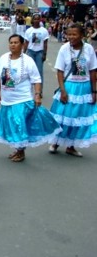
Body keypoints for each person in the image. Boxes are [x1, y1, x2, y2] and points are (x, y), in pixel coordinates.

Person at [0, 34, 61, 162]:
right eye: (11, 42)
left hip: (22, 100)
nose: (13, 45)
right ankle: (18, 149)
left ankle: (21, 152)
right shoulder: (3, 58)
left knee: (19, 125)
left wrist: (38, 95)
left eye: (16, 42)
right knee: (12, 125)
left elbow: (36, 79)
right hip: (7, 100)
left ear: (22, 45)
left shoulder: (28, 61)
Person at [49, 23, 97, 157]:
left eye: (74, 34)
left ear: (82, 35)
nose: (71, 37)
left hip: (84, 88)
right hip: (69, 86)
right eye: (69, 34)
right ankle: (56, 143)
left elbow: (93, 71)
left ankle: (71, 146)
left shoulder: (89, 49)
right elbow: (60, 71)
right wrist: (63, 91)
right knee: (64, 117)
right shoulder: (64, 49)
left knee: (77, 118)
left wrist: (94, 91)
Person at [23, 13, 49, 86]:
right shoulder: (29, 31)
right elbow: (26, 43)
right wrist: (23, 53)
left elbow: (45, 43)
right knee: (29, 71)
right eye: (35, 19)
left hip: (39, 53)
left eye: (38, 19)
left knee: (39, 71)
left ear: (40, 20)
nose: (36, 20)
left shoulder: (44, 31)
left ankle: (39, 91)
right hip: (30, 52)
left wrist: (44, 54)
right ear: (32, 20)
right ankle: (29, 88)